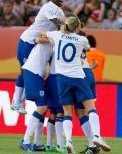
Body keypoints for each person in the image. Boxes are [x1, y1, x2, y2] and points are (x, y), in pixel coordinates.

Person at [38, 15, 111, 153]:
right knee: (89, 109)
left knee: (67, 112)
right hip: (80, 75)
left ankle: (69, 141)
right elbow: (87, 50)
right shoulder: (82, 39)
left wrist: (51, 35)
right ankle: (96, 137)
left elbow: (41, 33)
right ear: (77, 27)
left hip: (62, 79)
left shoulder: (57, 35)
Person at [11, 0, 65, 115]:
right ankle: (16, 101)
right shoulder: (48, 7)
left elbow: (65, 24)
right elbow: (58, 23)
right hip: (28, 41)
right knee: (24, 70)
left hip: (36, 42)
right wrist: (68, 27)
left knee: (31, 70)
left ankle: (20, 99)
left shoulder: (60, 10)